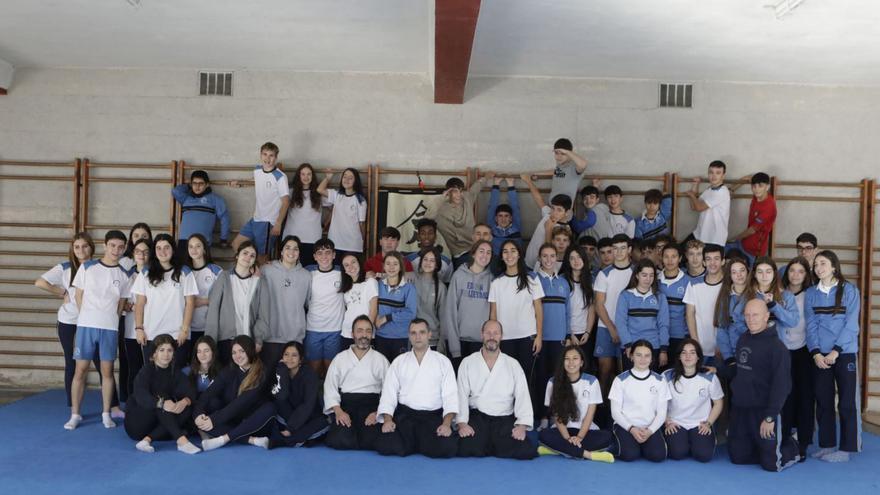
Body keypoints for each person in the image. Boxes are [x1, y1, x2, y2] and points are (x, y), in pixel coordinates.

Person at [64, 230, 130, 431]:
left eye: (120, 247)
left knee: (107, 371)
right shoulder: (88, 267)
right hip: (86, 327)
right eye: (113, 246)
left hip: (109, 328)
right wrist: (87, 316)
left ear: (125, 248)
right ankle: (75, 414)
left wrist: (110, 319)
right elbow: (78, 296)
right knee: (80, 370)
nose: (116, 250)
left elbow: (121, 305)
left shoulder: (125, 275)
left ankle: (106, 413)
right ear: (105, 245)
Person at [727, 299, 800, 471]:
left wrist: (770, 417)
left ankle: (791, 444)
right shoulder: (743, 339)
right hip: (741, 409)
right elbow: (741, 370)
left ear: (767, 316)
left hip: (764, 411)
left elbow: (782, 386)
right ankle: (760, 445)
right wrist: (716, 370)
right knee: (738, 458)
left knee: (771, 465)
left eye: (756, 315)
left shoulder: (777, 348)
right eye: (747, 315)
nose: (751, 319)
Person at [805, 250, 862, 462]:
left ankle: (846, 449)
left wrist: (836, 351)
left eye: (823, 264)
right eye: (816, 265)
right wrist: (816, 353)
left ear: (834, 266)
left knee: (846, 403)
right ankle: (827, 445)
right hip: (820, 357)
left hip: (844, 354)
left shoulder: (850, 291)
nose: (818, 268)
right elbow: (810, 326)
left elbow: (851, 325)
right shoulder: (811, 293)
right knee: (823, 401)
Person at [35, 232, 103, 408]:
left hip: (93, 321)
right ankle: (72, 405)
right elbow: (40, 282)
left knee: (100, 360)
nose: (81, 250)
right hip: (69, 321)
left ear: (91, 248)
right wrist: (62, 292)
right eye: (77, 247)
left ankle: (111, 405)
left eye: (85, 246)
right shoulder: (65, 267)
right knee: (71, 361)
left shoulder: (99, 267)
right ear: (72, 249)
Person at [375, 319, 459, 458]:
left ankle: (417, 444)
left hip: (432, 418)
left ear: (429, 335)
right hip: (406, 418)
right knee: (384, 444)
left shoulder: (443, 361)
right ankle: (418, 443)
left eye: (422, 332)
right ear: (409, 336)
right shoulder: (399, 361)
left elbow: (450, 396)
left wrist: (446, 424)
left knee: (447, 447)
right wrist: (388, 420)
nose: (418, 336)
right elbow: (389, 393)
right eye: (413, 333)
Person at [457, 320, 537, 460]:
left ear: (501, 336)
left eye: (496, 333)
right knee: (464, 446)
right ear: (482, 335)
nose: (491, 336)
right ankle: (490, 444)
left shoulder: (512, 364)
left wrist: (522, 426)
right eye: (488, 332)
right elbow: (461, 395)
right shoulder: (468, 362)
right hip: (478, 418)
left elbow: (522, 395)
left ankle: (490, 443)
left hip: (503, 419)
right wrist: (462, 424)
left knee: (526, 450)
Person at [123, 334, 201, 454]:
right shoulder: (146, 371)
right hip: (137, 422)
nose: (166, 354)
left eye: (169, 350)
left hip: (158, 423)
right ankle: (181, 440)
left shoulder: (175, 371)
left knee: (186, 408)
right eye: (161, 350)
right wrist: (162, 403)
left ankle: (148, 439)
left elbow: (190, 391)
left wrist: (184, 401)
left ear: (174, 353)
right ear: (154, 353)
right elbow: (141, 396)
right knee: (161, 396)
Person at [196, 335, 276, 451]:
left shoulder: (262, 371)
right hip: (235, 421)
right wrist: (199, 414)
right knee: (205, 421)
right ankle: (251, 440)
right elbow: (208, 393)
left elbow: (241, 402)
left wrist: (214, 420)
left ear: (250, 351)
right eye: (234, 352)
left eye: (242, 351)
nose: (237, 356)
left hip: (255, 423)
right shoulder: (230, 369)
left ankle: (223, 439)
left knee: (270, 408)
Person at [537, 345, 614, 462]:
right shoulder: (553, 382)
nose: (571, 362)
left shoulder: (591, 381)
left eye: (575, 358)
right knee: (544, 435)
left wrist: (579, 437)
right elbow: (557, 416)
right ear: (562, 362)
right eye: (567, 359)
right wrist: (567, 438)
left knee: (607, 437)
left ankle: (555, 450)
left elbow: (590, 415)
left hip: (586, 431)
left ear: (582, 362)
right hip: (562, 431)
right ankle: (588, 455)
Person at [324, 316, 390, 451]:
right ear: (352, 334)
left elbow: (390, 390)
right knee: (340, 439)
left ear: (372, 334)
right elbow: (330, 388)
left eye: (367, 331)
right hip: (346, 406)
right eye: (359, 331)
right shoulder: (340, 358)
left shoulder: (380, 360)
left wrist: (378, 413)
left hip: (371, 407)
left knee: (375, 439)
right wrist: (339, 412)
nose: (364, 335)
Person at [132, 233, 198, 366]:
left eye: (167, 247)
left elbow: (190, 303)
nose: (163, 251)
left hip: (177, 335)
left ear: (173, 250)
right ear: (154, 251)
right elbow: (139, 303)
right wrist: (139, 328)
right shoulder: (146, 272)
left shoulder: (185, 272)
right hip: (151, 334)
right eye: (158, 248)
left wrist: (184, 330)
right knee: (153, 377)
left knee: (176, 377)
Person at [205, 241, 268, 365]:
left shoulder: (260, 282)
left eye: (252, 255)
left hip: (248, 341)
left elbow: (263, 314)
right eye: (245, 253)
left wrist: (259, 340)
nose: (248, 257)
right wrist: (210, 342)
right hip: (226, 340)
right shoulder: (224, 277)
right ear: (237, 256)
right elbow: (213, 310)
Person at [488, 240, 544, 378]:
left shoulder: (532, 279)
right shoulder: (496, 282)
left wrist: (539, 336)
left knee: (527, 379)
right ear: (501, 256)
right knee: (507, 379)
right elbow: (493, 314)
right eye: (505, 252)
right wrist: (494, 338)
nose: (509, 255)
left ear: (519, 254)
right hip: (505, 339)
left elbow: (538, 310)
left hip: (527, 337)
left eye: (513, 250)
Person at [662, 338, 724, 462]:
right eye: (684, 352)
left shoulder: (709, 376)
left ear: (698, 357)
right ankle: (684, 440)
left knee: (703, 456)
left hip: (700, 424)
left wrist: (708, 423)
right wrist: (667, 421)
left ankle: (704, 439)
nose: (688, 356)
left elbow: (718, 403)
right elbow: (658, 402)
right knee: (677, 454)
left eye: (692, 352)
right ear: (679, 356)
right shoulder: (667, 376)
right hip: (676, 423)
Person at [608, 340, 669, 462]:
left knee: (658, 455)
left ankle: (643, 444)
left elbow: (662, 412)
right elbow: (615, 412)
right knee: (630, 455)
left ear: (652, 358)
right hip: (627, 426)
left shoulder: (660, 381)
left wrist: (650, 431)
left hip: (649, 427)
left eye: (647, 355)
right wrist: (632, 429)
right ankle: (623, 442)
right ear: (631, 356)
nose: (643, 359)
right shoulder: (620, 380)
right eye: (638, 355)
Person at [779, 256, 815, 461]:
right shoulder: (780, 294)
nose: (795, 275)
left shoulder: (810, 295)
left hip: (805, 350)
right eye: (792, 270)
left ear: (806, 275)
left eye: (801, 271)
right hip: (784, 349)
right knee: (786, 395)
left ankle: (804, 440)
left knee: (805, 396)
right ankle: (786, 437)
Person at [230, 142, 289, 262]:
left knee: (262, 257)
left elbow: (286, 201)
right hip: (256, 219)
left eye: (271, 155)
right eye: (265, 154)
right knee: (236, 244)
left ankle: (258, 278)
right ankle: (250, 271)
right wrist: (240, 183)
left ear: (276, 157)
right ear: (261, 155)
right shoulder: (257, 170)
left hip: (268, 222)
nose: (268, 158)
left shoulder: (280, 177)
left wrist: (278, 223)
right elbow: (255, 180)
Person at [593, 234, 634, 407]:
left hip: (629, 329)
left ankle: (623, 410)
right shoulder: (604, 274)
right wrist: (611, 329)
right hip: (605, 327)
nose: (618, 252)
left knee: (624, 371)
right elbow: (599, 304)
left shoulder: (636, 272)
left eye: (622, 248)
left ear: (629, 250)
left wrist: (621, 330)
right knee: (605, 371)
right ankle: (600, 413)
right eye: (615, 248)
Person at [534, 243, 571, 424]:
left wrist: (568, 335)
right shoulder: (533, 280)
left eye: (552, 256)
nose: (549, 260)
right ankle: (541, 416)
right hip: (540, 339)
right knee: (540, 379)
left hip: (559, 340)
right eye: (545, 256)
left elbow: (567, 312)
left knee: (557, 380)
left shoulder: (563, 282)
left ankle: (555, 417)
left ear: (557, 258)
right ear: (539, 259)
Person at [260, 236, 311, 366]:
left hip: (294, 337)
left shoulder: (306, 275)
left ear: (299, 253)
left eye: (295, 249)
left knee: (292, 380)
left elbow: (308, 303)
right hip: (270, 335)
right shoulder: (266, 270)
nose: (291, 252)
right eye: (287, 248)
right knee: (269, 378)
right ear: (281, 251)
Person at [268, 341, 329, 448]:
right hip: (290, 416)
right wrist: (282, 373)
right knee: (276, 406)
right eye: (286, 355)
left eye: (294, 355)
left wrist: (290, 429)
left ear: (301, 359)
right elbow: (282, 396)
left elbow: (307, 405)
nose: (289, 359)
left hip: (310, 416)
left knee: (321, 425)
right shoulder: (280, 370)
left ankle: (286, 439)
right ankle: (296, 438)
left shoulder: (309, 375)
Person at [615, 259, 670, 370]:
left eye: (651, 275)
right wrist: (628, 344)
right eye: (644, 275)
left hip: (654, 346)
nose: (648, 279)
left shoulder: (660, 297)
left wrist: (663, 350)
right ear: (637, 275)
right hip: (631, 347)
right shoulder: (625, 295)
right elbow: (620, 322)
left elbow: (664, 325)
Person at [443, 240, 493, 361]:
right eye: (481, 251)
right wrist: (454, 347)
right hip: (460, 342)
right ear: (473, 254)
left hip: (482, 342)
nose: (484, 255)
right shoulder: (458, 276)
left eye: (488, 252)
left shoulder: (492, 279)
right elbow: (450, 312)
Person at [423, 175, 485, 268]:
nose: (459, 195)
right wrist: (441, 198)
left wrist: (485, 177)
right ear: (448, 192)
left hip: (476, 249)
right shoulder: (440, 209)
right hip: (459, 254)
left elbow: (475, 188)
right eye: (455, 191)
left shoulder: (467, 198)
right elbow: (426, 220)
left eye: (461, 191)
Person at [305, 238, 345, 376]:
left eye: (328, 252)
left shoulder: (343, 273)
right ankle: (312, 397)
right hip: (313, 328)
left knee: (331, 370)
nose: (324, 257)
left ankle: (328, 397)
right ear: (314, 256)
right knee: (313, 369)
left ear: (334, 255)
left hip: (335, 329)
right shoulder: (307, 273)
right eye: (320, 253)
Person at [520, 173, 574, 268]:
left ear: (567, 212)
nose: (554, 212)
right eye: (553, 208)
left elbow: (550, 251)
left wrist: (548, 229)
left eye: (559, 210)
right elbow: (539, 199)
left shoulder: (564, 230)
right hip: (527, 261)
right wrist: (528, 181)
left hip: (540, 268)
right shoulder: (549, 214)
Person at [683, 243, 724, 366]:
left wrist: (723, 345)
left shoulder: (728, 285)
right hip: (700, 347)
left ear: (723, 261)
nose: (712, 263)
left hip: (722, 348)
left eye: (716, 259)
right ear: (704, 262)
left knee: (720, 383)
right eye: (708, 259)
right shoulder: (694, 284)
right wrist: (695, 342)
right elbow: (689, 314)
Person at [121, 238, 151, 400]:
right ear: (133, 253)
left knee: (150, 368)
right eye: (138, 251)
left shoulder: (154, 274)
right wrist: (133, 306)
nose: (142, 255)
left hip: (152, 329)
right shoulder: (126, 275)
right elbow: (120, 302)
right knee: (134, 367)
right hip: (132, 329)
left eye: (146, 252)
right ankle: (132, 402)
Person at [172, 169, 230, 251]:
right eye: (194, 183)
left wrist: (223, 239)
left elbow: (225, 219)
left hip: (203, 242)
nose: (197, 186)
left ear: (207, 184)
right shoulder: (186, 198)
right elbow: (175, 191)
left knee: (201, 264)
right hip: (184, 241)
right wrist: (189, 186)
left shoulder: (216, 199)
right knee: (182, 264)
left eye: (201, 183)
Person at [317, 167, 368, 262]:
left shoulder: (360, 200)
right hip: (335, 243)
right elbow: (320, 189)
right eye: (345, 177)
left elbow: (362, 224)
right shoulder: (337, 195)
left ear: (355, 181)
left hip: (353, 245)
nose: (347, 180)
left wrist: (362, 241)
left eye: (350, 178)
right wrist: (328, 178)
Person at [375, 251, 418, 362]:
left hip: (400, 337)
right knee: (382, 372)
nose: (391, 267)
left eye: (395, 263)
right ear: (383, 266)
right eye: (388, 263)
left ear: (400, 267)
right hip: (380, 336)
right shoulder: (377, 285)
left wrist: (387, 317)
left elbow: (411, 313)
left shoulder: (409, 288)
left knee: (399, 372)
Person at [281, 163, 326, 267]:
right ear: (298, 176)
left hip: (312, 238)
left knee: (308, 270)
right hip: (292, 237)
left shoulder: (319, 194)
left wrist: (325, 224)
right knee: (289, 268)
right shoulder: (290, 193)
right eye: (303, 174)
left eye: (309, 174)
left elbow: (335, 207)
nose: (306, 177)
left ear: (312, 176)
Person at [726, 172, 776, 265]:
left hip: (753, 251)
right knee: (720, 253)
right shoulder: (757, 195)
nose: (756, 189)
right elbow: (747, 178)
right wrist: (732, 189)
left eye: (760, 186)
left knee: (747, 276)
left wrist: (735, 238)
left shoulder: (768, 207)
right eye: (754, 186)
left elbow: (752, 230)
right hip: (743, 243)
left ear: (767, 187)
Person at [184, 234, 222, 346]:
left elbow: (225, 298)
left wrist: (204, 301)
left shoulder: (215, 270)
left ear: (204, 249)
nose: (194, 250)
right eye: (190, 246)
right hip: (187, 327)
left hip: (208, 326)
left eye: (198, 246)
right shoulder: (183, 271)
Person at [714, 257, 750, 368]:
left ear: (748, 272)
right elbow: (721, 328)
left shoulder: (756, 295)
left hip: (753, 352)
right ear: (730, 275)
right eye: (734, 272)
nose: (739, 275)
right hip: (732, 354)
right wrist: (728, 355)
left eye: (742, 270)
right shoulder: (724, 297)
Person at [560, 245, 595, 358]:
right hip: (566, 333)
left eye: (579, 257)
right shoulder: (562, 280)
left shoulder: (591, 280)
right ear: (567, 261)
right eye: (572, 258)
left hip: (585, 333)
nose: (576, 261)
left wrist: (588, 332)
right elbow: (561, 311)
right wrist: (570, 334)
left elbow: (591, 309)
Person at [686, 160, 730, 246]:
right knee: (680, 251)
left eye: (718, 173)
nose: (714, 176)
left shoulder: (722, 192)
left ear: (723, 176)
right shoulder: (709, 190)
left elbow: (699, 207)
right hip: (699, 234)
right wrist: (695, 185)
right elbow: (694, 207)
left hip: (714, 239)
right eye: (711, 172)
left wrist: (692, 195)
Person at [339, 253, 378, 349]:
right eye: (346, 265)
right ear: (344, 270)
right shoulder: (346, 287)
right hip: (347, 332)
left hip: (364, 333)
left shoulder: (370, 282)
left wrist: (366, 331)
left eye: (353, 262)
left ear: (359, 263)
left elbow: (373, 310)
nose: (351, 267)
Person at [659, 243, 690, 356]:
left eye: (674, 256)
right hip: (658, 335)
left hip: (679, 335)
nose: (670, 260)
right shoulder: (654, 280)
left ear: (680, 258)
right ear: (661, 258)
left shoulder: (688, 282)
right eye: (666, 256)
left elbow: (690, 313)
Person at [414, 247, 447, 352]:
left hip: (432, 339)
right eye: (425, 259)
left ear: (437, 265)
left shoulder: (441, 287)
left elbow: (444, 318)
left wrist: (442, 343)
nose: (428, 263)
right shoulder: (411, 280)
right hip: (412, 338)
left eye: (432, 260)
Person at [406, 218, 453, 283]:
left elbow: (447, 286)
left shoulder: (446, 263)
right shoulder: (408, 260)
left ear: (435, 236)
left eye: (430, 233)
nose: (426, 236)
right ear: (418, 236)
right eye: (423, 233)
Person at [486, 173, 522, 254]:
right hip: (495, 260)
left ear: (511, 218)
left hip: (512, 259)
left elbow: (515, 207)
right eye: (500, 216)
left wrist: (511, 184)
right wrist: (496, 184)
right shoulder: (491, 227)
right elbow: (492, 207)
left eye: (506, 216)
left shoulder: (516, 227)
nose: (503, 219)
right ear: (495, 218)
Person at [548, 137, 588, 204]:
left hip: (564, 212)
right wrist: (535, 174)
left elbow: (584, 164)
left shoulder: (574, 167)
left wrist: (566, 151)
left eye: (563, 154)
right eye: (556, 153)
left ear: (569, 153)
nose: (559, 156)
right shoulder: (560, 165)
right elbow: (554, 172)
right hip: (552, 208)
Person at [184, 335, 222, 402]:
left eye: (206, 351)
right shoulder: (186, 372)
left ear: (213, 352)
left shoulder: (222, 372)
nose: (202, 355)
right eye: (199, 351)